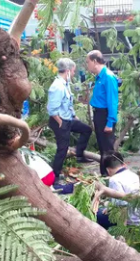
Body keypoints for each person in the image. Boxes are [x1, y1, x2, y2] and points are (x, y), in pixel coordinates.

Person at [47, 58, 92, 191]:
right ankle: (54, 178)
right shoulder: (57, 86)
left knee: (86, 130)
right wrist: (60, 121)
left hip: (67, 118)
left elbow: (68, 103)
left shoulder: (65, 84)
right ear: (67, 71)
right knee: (62, 150)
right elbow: (52, 109)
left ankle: (79, 155)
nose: (74, 73)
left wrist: (74, 116)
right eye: (73, 71)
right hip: (59, 121)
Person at [86, 50, 119, 176]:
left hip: (105, 115)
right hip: (99, 114)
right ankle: (104, 174)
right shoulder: (99, 77)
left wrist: (110, 122)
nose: (87, 65)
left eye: (88, 62)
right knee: (102, 147)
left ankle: (110, 175)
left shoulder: (108, 77)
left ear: (95, 61)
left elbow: (112, 101)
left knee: (107, 148)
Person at [94, 152, 140, 229]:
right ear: (123, 164)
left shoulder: (114, 180)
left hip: (129, 220)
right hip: (139, 215)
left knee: (95, 214)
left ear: (108, 170)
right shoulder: (134, 175)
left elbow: (121, 206)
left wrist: (122, 230)